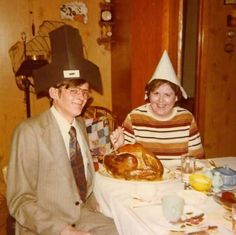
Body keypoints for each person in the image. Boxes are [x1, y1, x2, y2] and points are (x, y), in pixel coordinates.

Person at [7, 77, 118, 235]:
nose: (81, 97)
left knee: (124, 228)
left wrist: (93, 203)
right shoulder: (29, 131)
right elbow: (20, 200)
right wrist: (62, 230)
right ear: (54, 93)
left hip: (81, 215)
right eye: (74, 91)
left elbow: (83, 175)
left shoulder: (79, 124)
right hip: (44, 225)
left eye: (84, 92)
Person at [111, 50, 204, 159]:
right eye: (156, 93)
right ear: (148, 95)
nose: (161, 100)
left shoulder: (186, 118)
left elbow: (198, 157)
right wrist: (120, 147)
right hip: (145, 175)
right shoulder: (134, 118)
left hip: (178, 175)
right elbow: (124, 160)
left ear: (176, 97)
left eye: (167, 95)